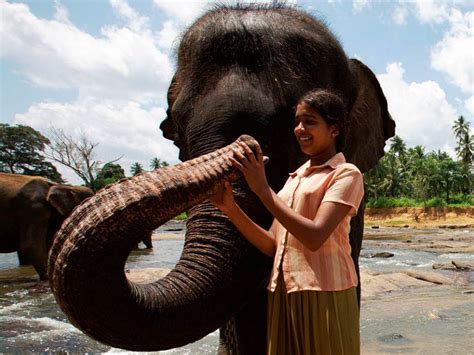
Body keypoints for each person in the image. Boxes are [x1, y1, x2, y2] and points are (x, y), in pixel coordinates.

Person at [210, 89, 364, 354]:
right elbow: (273, 245)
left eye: (310, 121)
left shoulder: (346, 174)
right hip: (283, 290)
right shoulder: (294, 179)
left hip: (324, 292)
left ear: (335, 128)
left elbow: (315, 236)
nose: (300, 128)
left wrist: (262, 189)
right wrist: (230, 207)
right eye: (297, 122)